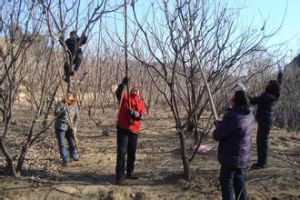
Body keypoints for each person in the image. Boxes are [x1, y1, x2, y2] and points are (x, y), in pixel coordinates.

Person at [213, 83, 254, 200]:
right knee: (239, 180)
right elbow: (236, 129)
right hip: (242, 157)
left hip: (231, 157)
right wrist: (222, 124)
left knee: (226, 182)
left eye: (233, 96)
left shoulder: (232, 116)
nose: (231, 98)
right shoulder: (249, 115)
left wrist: (218, 126)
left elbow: (217, 135)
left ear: (236, 100)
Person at [249, 69, 283, 170]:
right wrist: (280, 76)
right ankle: (261, 162)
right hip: (266, 120)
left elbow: (254, 101)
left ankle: (261, 164)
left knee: (261, 142)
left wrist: (245, 95)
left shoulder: (267, 96)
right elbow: (279, 84)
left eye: (269, 84)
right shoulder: (274, 95)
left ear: (270, 87)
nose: (267, 84)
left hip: (264, 121)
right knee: (262, 141)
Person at [115, 77, 145, 185]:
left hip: (134, 131)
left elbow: (141, 115)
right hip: (123, 129)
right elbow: (118, 93)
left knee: (132, 153)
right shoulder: (125, 96)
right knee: (122, 153)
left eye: (137, 89)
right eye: (134, 88)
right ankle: (119, 177)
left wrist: (134, 113)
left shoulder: (140, 102)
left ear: (139, 92)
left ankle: (130, 172)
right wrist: (123, 84)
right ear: (131, 89)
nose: (135, 90)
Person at [54, 92, 80, 166]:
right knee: (62, 144)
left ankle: (74, 155)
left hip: (70, 127)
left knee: (72, 142)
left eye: (70, 97)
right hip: (60, 127)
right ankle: (65, 159)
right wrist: (63, 110)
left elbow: (77, 117)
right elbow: (56, 114)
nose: (69, 98)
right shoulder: (60, 103)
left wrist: (75, 126)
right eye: (67, 96)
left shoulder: (74, 105)